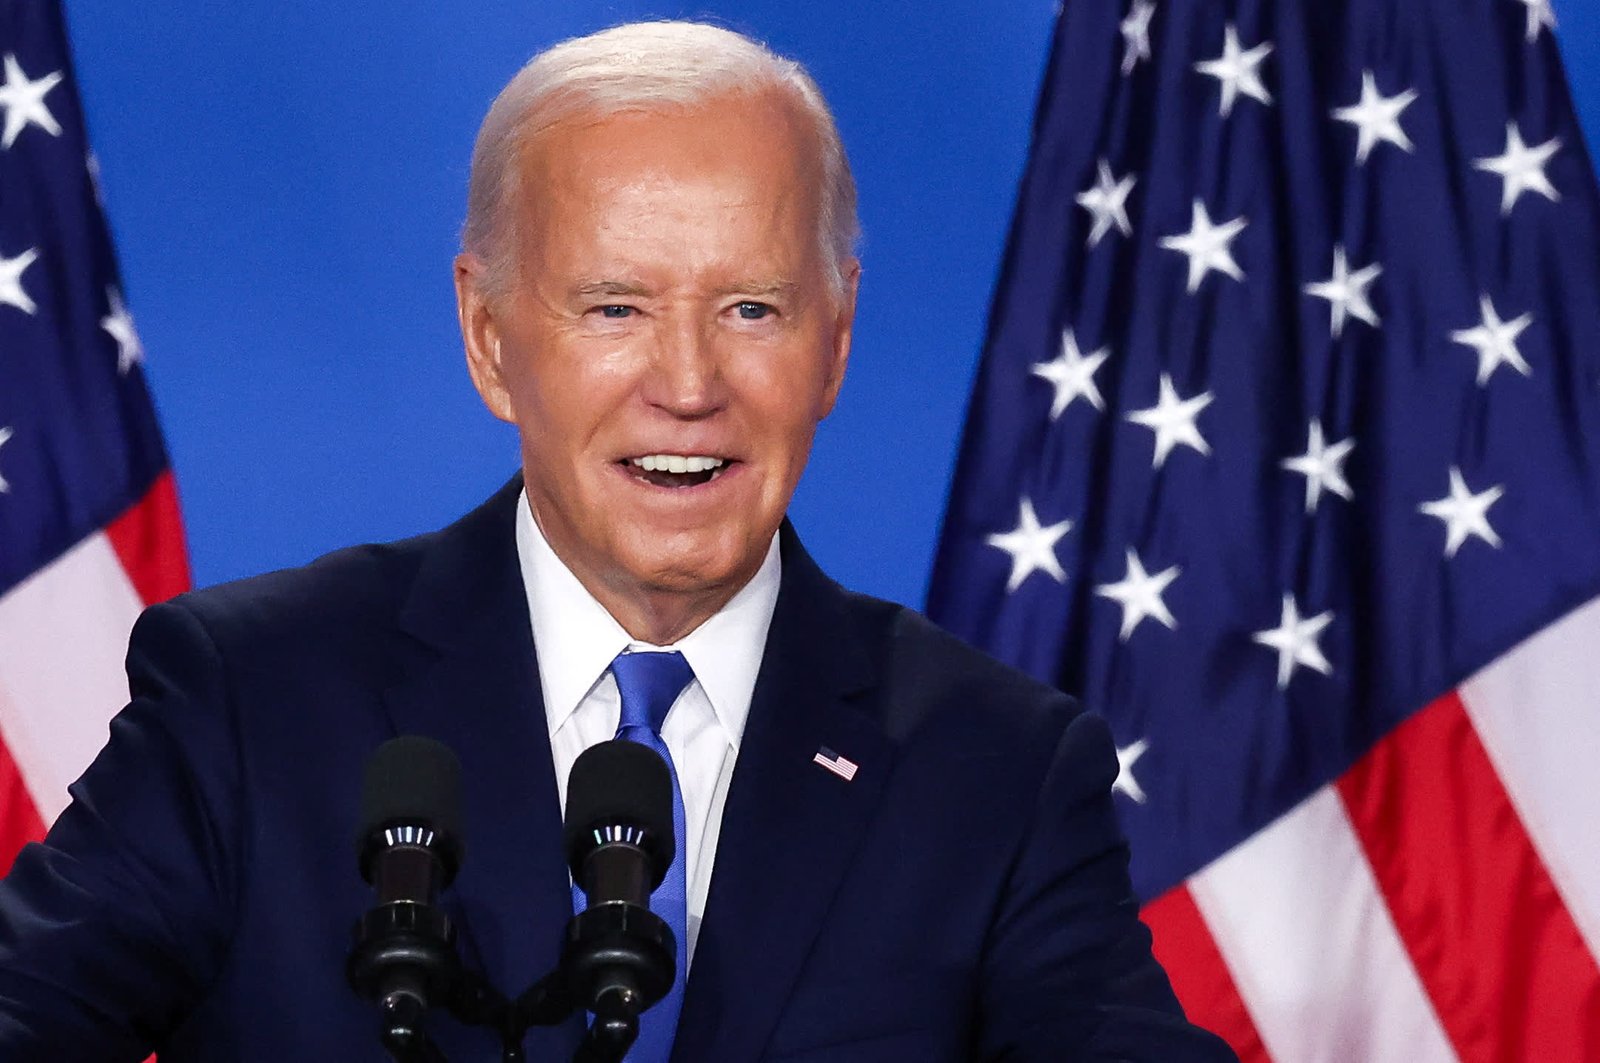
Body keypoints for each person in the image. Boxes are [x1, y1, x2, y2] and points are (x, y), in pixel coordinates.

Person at [0, 20, 1235, 1062]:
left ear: (839, 336)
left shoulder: (995, 769)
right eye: (615, 307)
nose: (689, 383)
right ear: (488, 338)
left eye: (753, 307)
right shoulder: (254, 697)